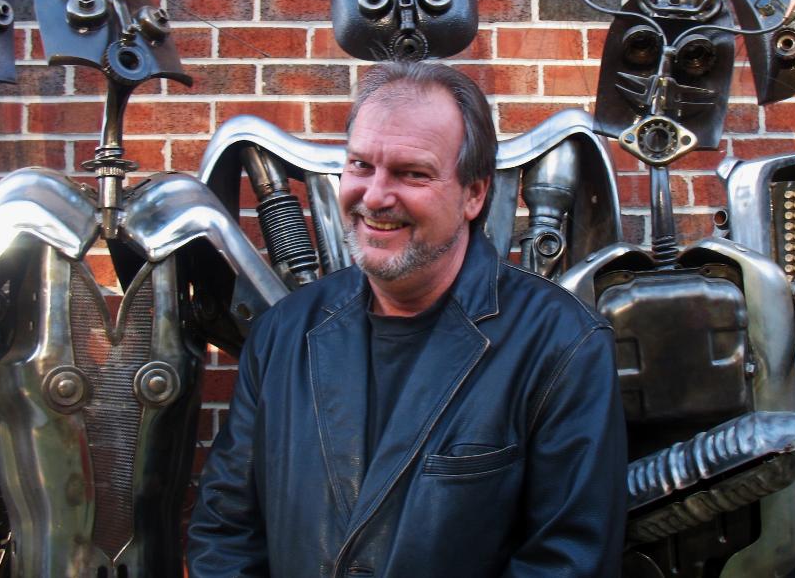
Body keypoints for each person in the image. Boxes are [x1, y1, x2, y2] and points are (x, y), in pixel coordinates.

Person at [188, 62, 627, 577]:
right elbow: (225, 534)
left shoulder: (562, 346)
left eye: (412, 173)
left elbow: (568, 563)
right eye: (360, 165)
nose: (375, 197)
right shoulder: (282, 335)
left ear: (473, 194)